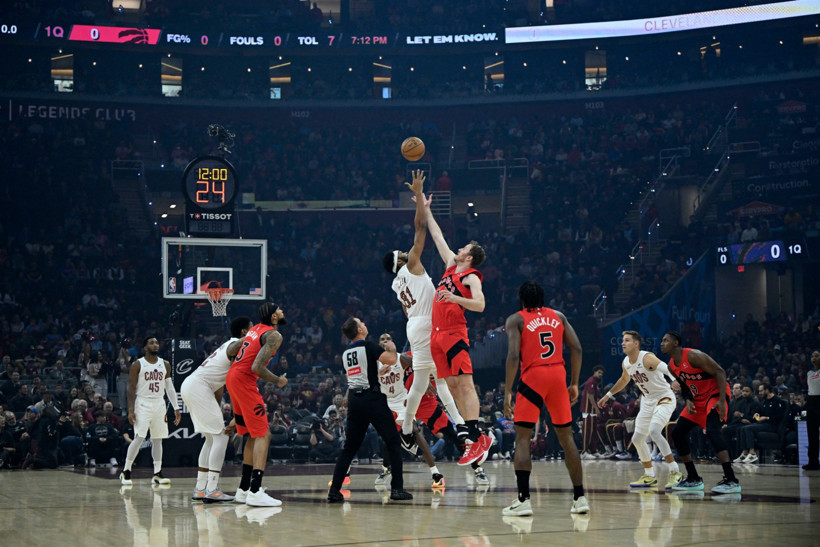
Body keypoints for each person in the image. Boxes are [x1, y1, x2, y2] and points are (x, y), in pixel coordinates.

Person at [381, 169, 464, 455]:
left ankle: (421, 428)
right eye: (402, 252)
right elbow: (419, 229)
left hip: (414, 325)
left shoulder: (396, 283)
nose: (406, 251)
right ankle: (454, 426)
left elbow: (407, 312)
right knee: (439, 378)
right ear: (401, 259)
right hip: (429, 325)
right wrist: (418, 196)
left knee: (428, 379)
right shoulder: (411, 264)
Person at [502, 280, 589, 516]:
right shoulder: (558, 316)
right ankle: (580, 498)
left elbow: (512, 355)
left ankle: (523, 500)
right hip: (558, 375)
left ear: (521, 298)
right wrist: (573, 382)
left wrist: (508, 391)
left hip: (533, 377)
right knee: (566, 438)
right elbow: (578, 348)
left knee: (522, 438)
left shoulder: (516, 319)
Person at [423, 192, 492, 465]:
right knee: (450, 386)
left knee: (464, 384)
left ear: (470, 257)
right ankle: (470, 432)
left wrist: (455, 298)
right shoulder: (451, 266)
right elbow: (438, 236)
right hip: (436, 334)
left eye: (463, 248)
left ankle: (477, 437)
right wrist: (425, 209)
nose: (458, 249)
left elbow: (480, 304)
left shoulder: (471, 275)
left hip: (453, 332)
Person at [327, 317, 412, 503]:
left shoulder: (345, 353)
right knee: (393, 442)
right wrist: (392, 348)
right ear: (359, 330)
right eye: (362, 323)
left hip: (355, 402)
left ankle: (334, 491)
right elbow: (391, 359)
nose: (365, 324)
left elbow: (362, 371)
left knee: (349, 448)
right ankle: (397, 489)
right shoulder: (369, 346)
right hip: (372, 398)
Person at [598, 331, 682, 489]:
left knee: (655, 431)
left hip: (664, 397)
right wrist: (608, 395)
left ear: (636, 344)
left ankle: (675, 471)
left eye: (627, 340)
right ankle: (649, 475)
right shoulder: (626, 362)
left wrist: (674, 380)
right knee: (637, 439)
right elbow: (624, 380)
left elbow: (666, 367)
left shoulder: (646, 358)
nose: (623, 343)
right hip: (648, 400)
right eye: (623, 340)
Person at [181, 316, 252, 503]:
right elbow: (236, 347)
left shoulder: (228, 351)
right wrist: (257, 335)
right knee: (221, 436)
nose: (254, 332)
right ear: (245, 332)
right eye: (251, 329)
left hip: (194, 386)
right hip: (198, 387)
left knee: (211, 438)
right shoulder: (234, 345)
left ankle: (200, 487)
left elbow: (219, 387)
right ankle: (212, 489)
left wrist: (219, 412)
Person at [660, 331, 740, 494]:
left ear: (675, 343)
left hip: (715, 394)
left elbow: (720, 372)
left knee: (712, 431)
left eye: (665, 340)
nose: (662, 343)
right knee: (678, 433)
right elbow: (684, 386)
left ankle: (731, 480)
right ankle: (693, 478)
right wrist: (688, 399)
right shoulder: (671, 366)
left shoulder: (694, 356)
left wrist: (723, 401)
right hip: (697, 399)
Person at [225, 302, 288, 507]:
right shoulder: (274, 335)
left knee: (252, 434)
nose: (282, 311)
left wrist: (247, 344)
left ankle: (243, 489)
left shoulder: (254, 329)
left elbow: (232, 349)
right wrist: (278, 380)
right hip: (244, 380)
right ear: (273, 317)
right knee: (263, 433)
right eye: (279, 309)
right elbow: (257, 367)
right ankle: (255, 491)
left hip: (233, 377)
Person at [375, 332, 446, 489]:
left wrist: (426, 380)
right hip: (384, 401)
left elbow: (419, 365)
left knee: (414, 431)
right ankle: (386, 468)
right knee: (388, 440)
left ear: (393, 343)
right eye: (382, 339)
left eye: (388, 339)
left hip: (401, 400)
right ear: (378, 344)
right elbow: (361, 380)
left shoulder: (400, 358)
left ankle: (435, 472)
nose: (385, 341)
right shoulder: (374, 361)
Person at [119, 337, 181, 486]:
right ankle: (126, 471)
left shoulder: (165, 364)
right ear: (145, 347)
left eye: (157, 342)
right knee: (139, 438)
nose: (155, 345)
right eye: (152, 343)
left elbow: (170, 388)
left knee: (158, 439)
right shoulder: (138, 364)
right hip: (143, 403)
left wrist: (176, 407)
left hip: (159, 403)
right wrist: (130, 409)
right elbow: (131, 388)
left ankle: (157, 473)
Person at [734, 383, 787, 463]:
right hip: (764, 423)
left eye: (761, 391)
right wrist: (757, 414)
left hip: (773, 425)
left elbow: (780, 417)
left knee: (749, 428)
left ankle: (752, 453)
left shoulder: (777, 401)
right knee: (742, 428)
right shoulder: (764, 401)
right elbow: (761, 413)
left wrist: (767, 418)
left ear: (767, 390)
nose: (760, 393)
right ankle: (744, 453)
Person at [580, 366, 604, 458]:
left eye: (602, 373)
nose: (600, 374)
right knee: (587, 432)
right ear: (594, 372)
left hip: (592, 411)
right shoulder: (591, 382)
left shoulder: (595, 382)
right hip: (588, 411)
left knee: (594, 432)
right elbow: (590, 396)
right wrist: (597, 408)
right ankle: (584, 452)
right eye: (599, 372)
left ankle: (593, 451)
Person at [805, 350, 820, 471]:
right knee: (812, 434)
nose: (814, 358)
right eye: (812, 356)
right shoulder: (809, 373)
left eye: (817, 356)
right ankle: (813, 461)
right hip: (811, 401)